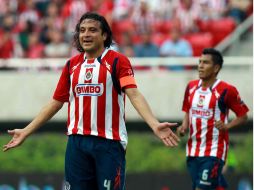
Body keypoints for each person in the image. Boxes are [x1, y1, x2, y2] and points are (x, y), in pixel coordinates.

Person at [3, 12, 180, 190]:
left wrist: (154, 124)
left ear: (104, 35)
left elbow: (133, 94)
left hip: (108, 143)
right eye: (82, 30)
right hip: (76, 144)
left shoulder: (118, 61)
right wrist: (26, 131)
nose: (86, 34)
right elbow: (56, 102)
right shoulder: (71, 65)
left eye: (92, 30)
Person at [177, 48, 249, 190]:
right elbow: (188, 111)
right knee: (213, 186)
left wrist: (227, 126)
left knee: (202, 188)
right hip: (193, 151)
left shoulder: (227, 90)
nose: (200, 66)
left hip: (214, 151)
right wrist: (183, 127)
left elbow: (243, 116)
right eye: (200, 62)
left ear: (216, 68)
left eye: (205, 63)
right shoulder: (191, 87)